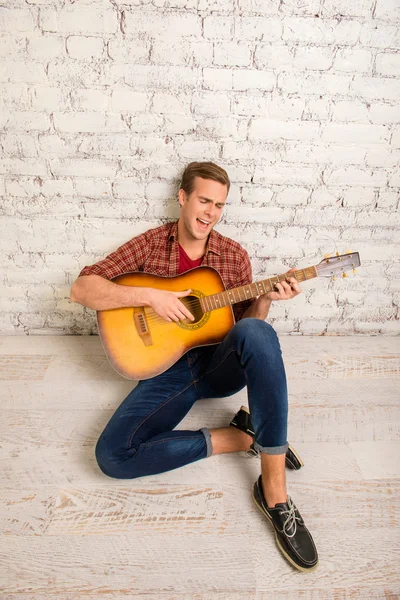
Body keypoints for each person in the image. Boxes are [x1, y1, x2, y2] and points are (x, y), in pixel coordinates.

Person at [70, 161, 318, 572]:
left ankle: (274, 491)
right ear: (183, 198)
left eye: (219, 205)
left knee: (258, 332)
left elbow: (246, 334)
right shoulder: (150, 245)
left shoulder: (234, 256)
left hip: (217, 365)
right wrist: (151, 297)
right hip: (167, 368)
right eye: (204, 200)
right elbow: (83, 288)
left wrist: (268, 298)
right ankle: (240, 437)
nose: (210, 213)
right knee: (112, 456)